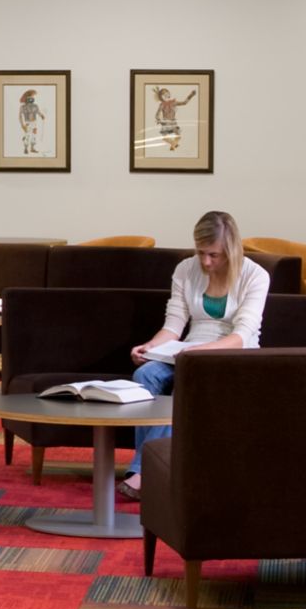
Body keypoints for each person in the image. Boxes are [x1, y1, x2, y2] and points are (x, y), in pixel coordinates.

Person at [120, 209, 268, 498]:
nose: (206, 261)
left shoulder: (255, 276)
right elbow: (173, 326)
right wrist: (151, 347)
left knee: (186, 379)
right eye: (201, 253)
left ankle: (144, 473)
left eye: (214, 255)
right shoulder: (186, 270)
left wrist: (197, 351)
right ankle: (150, 467)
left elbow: (241, 336)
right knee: (144, 374)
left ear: (231, 249)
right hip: (188, 349)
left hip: (234, 355)